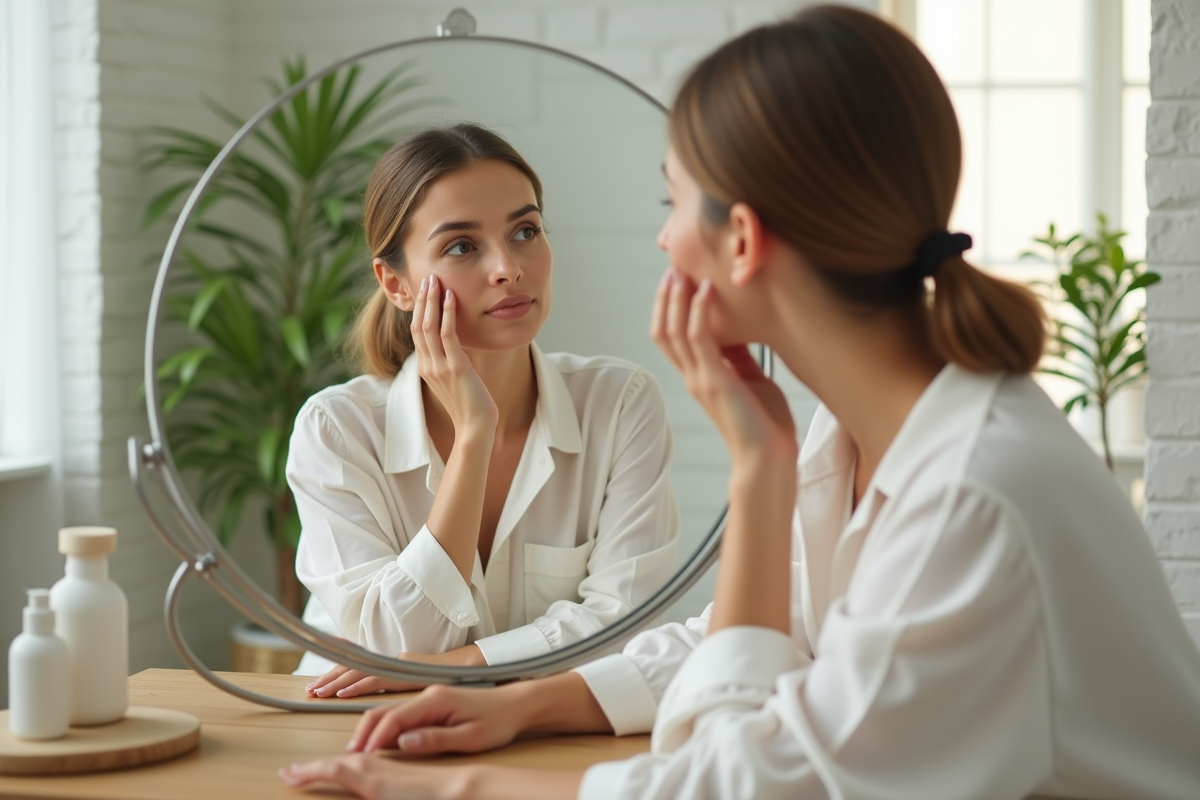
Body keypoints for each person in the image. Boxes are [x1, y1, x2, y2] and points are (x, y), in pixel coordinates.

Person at [279, 6, 1200, 798]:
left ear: (744, 240)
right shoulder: (866, 438)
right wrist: (522, 704)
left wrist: (469, 787)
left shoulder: (965, 497)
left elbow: (746, 775)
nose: (663, 240)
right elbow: (762, 642)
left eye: (672, 204)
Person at [286, 123, 679, 691]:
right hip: (352, 720)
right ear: (395, 284)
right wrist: (474, 435)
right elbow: (393, 647)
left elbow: (627, 628)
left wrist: (465, 665)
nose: (508, 268)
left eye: (525, 231)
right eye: (461, 247)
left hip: (543, 727)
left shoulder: (619, 404)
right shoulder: (336, 431)